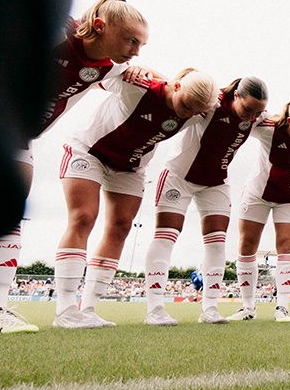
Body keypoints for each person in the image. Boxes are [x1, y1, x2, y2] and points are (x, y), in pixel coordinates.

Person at [0, 0, 149, 334]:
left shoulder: (109, 67)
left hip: (15, 137)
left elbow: (135, 76)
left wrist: (145, 72)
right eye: (131, 41)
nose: (136, 51)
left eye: (140, 44)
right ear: (99, 27)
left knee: (8, 208)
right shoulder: (55, 32)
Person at [52, 68, 218, 328]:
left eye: (195, 111)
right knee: (83, 217)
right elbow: (100, 76)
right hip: (89, 152)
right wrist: (142, 70)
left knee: (120, 228)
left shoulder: (196, 112)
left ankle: (89, 308)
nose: (186, 114)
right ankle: (65, 309)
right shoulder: (137, 86)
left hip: (130, 167)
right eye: (185, 105)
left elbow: (233, 104)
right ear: (175, 86)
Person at [142, 76, 269, 326]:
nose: (252, 116)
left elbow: (283, 122)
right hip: (179, 177)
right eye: (248, 109)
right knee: (166, 236)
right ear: (235, 97)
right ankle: (155, 308)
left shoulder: (257, 118)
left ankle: (210, 309)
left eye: (258, 111)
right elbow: (177, 93)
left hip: (216, 183)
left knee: (217, 243)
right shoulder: (211, 104)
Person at [226, 99, 290, 323]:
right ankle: (247, 307)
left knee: (287, 246)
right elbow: (242, 118)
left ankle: (282, 307)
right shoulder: (267, 129)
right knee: (246, 245)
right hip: (258, 194)